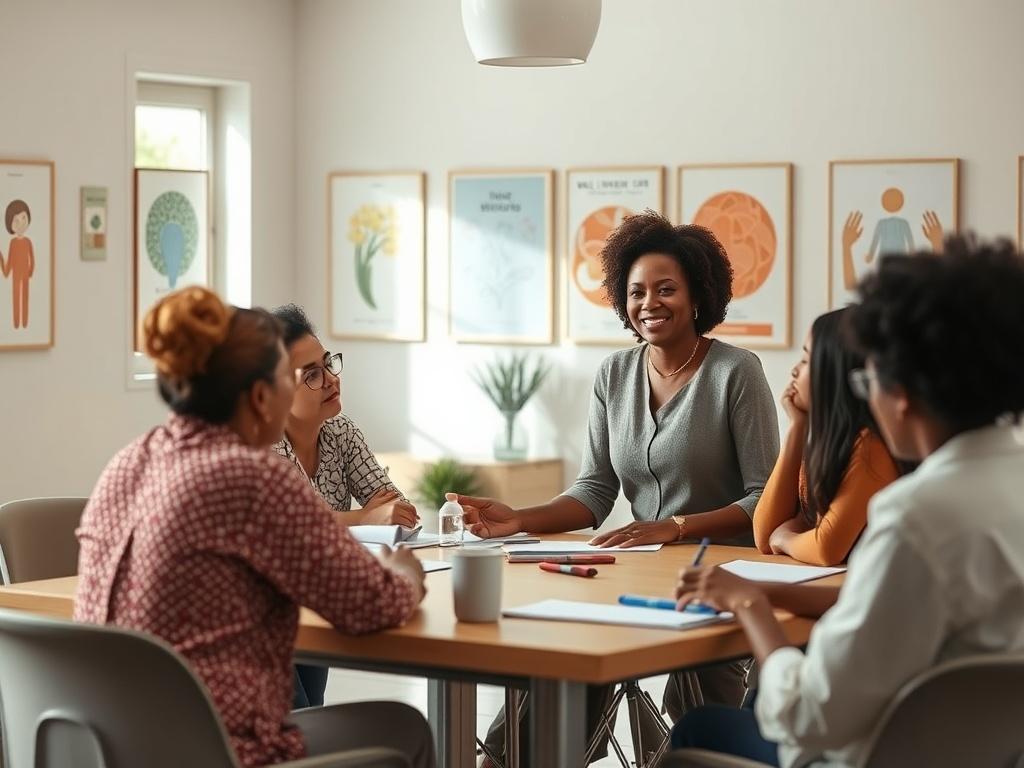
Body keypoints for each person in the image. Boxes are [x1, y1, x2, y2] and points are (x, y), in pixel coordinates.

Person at [666, 235, 1024, 768]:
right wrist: (760, 588)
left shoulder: (916, 517)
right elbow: (882, 598)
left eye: (869, 376)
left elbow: (808, 717)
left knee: (703, 726)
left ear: (902, 391)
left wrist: (749, 605)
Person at [461, 212, 779, 765]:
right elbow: (594, 490)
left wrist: (677, 526)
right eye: (636, 292)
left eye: (665, 289)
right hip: (632, 568)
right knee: (570, 659)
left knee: (706, 718)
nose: (649, 303)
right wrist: (519, 519)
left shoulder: (737, 372)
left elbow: (764, 499)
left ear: (698, 295)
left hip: (717, 575)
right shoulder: (614, 374)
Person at [74, 287, 434, 768]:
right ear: (263, 397)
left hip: (111, 747)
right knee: (403, 727)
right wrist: (407, 574)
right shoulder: (252, 477)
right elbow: (370, 603)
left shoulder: (124, 465)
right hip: (219, 750)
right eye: (294, 380)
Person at [270, 303, 418, 709]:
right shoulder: (261, 445)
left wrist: (373, 516)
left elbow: (395, 506)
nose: (332, 380)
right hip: (270, 612)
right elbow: (285, 528)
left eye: (328, 364)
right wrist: (365, 518)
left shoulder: (340, 431)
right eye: (312, 375)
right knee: (302, 724)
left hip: (315, 597)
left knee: (311, 712)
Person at [753, 308, 900, 566]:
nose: (795, 370)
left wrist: (786, 539)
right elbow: (765, 536)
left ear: (834, 372)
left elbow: (826, 549)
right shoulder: (828, 443)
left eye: (806, 360)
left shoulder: (871, 445)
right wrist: (797, 428)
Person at [3, 199, 35, 329]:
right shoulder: (12, 243)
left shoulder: (28, 242)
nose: (20, 223)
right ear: (10, 225)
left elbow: (32, 258)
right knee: (16, 298)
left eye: (23, 218)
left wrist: (30, 271)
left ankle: (25, 322)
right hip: (16, 275)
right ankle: (16, 323)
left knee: (25, 298)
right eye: (16, 220)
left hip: (25, 274)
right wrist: (3, 266)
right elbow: (9, 261)